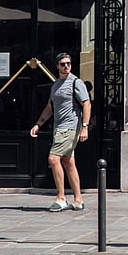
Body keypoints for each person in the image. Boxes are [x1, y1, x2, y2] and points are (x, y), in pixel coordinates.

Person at [29, 52, 92, 212]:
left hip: (70, 127)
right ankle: (78, 200)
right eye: (63, 64)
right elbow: (50, 107)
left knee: (53, 159)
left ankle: (61, 198)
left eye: (69, 64)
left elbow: (86, 104)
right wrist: (38, 124)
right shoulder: (56, 85)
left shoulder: (76, 82)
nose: (66, 66)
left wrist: (85, 126)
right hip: (59, 128)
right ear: (57, 66)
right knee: (68, 162)